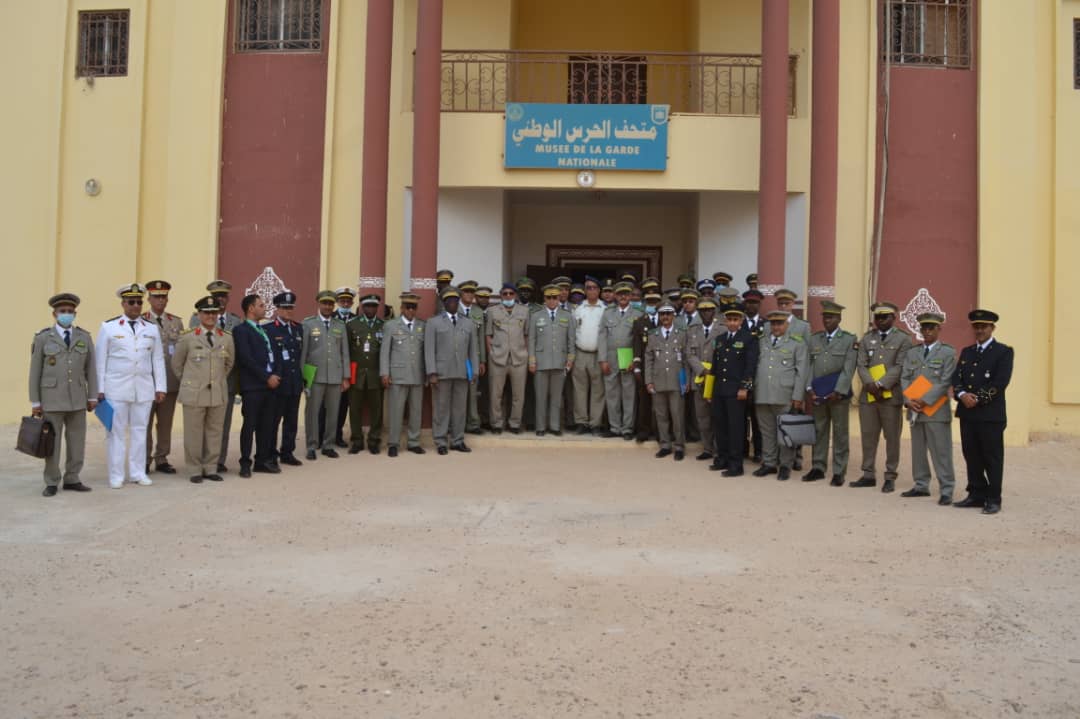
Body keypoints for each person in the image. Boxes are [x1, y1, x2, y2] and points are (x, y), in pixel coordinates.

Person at [96, 284, 167, 489]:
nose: (135, 305)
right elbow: (100, 360)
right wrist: (99, 389)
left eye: (138, 302)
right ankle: (116, 475)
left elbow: (158, 359)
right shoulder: (109, 327)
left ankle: (137, 473)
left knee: (140, 431)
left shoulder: (151, 328)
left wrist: (160, 386)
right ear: (123, 303)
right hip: (116, 388)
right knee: (116, 433)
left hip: (143, 388)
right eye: (131, 302)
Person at [29, 293, 97, 497]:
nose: (66, 314)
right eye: (62, 311)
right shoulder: (43, 338)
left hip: (77, 398)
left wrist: (92, 396)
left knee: (77, 442)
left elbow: (91, 369)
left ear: (75, 314)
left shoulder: (84, 337)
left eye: (70, 311)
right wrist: (35, 401)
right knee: (52, 444)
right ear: (54, 314)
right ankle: (51, 481)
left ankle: (72, 478)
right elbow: (35, 372)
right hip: (52, 399)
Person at [952, 309, 1013, 514]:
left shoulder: (1003, 352)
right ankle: (977, 494)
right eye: (976, 327)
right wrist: (962, 395)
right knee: (971, 455)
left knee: (992, 458)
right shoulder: (967, 351)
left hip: (990, 415)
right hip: (968, 414)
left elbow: (1000, 382)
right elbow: (957, 378)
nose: (979, 330)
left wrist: (977, 398)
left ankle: (994, 498)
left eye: (983, 327)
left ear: (992, 328)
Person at [852, 301, 913, 493]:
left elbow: (900, 366)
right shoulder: (867, 338)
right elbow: (861, 364)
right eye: (877, 317)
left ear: (893, 318)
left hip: (890, 396)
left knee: (892, 438)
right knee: (868, 436)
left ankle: (890, 476)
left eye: (884, 317)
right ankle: (868, 474)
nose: (880, 320)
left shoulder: (903, 339)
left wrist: (880, 384)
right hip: (868, 396)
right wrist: (870, 384)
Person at [172, 296, 234, 483]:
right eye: (206, 312)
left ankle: (211, 467)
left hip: (217, 392)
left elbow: (229, 364)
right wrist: (191, 382)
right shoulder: (188, 337)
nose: (211, 316)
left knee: (215, 432)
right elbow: (177, 365)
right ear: (198, 314)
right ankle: (194, 469)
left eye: (214, 312)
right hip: (194, 393)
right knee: (194, 433)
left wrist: (216, 380)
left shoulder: (226, 338)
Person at [900, 312, 957, 505]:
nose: (927, 331)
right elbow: (905, 377)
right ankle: (921, 485)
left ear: (939, 329)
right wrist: (908, 399)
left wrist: (925, 400)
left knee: (941, 451)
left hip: (936, 410)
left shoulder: (947, 352)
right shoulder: (912, 353)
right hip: (915, 409)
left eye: (931, 328)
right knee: (918, 451)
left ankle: (946, 489)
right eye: (924, 328)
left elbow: (945, 381)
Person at [190, 280, 243, 473]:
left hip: (226, 381)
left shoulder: (236, 321)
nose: (220, 299)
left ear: (228, 298)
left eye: (223, 296)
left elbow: (236, 355)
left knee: (222, 424)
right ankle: (200, 461)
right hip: (202, 382)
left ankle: (218, 460)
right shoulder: (196, 319)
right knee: (201, 424)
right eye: (217, 296)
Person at [803, 301, 858, 486]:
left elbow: (849, 368)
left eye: (831, 317)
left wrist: (838, 391)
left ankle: (839, 470)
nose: (827, 320)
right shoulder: (815, 339)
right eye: (825, 317)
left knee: (840, 432)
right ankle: (818, 467)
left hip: (838, 395)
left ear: (839, 318)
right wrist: (809, 389)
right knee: (819, 430)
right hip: (818, 393)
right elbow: (809, 365)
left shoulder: (849, 339)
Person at [752, 311, 809, 480]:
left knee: (786, 432)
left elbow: (802, 372)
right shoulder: (761, 341)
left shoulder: (797, 343)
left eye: (780, 323)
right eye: (773, 323)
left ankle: (785, 465)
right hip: (763, 393)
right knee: (767, 431)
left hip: (785, 394)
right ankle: (769, 463)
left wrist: (798, 396)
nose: (776, 327)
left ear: (787, 324)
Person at [425, 286, 478, 455]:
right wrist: (432, 372)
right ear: (444, 303)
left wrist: (474, 371)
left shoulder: (468, 323)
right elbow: (429, 350)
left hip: (462, 372)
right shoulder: (433, 323)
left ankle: (457, 440)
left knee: (459, 409)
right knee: (441, 409)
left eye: (455, 300)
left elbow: (473, 350)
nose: (453, 303)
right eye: (449, 300)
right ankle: (441, 441)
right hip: (441, 373)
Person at [233, 294, 281, 477]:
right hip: (253, 386)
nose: (264, 308)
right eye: (261, 305)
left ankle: (262, 461)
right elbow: (246, 359)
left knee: (266, 425)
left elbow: (275, 354)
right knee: (250, 425)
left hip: (270, 386)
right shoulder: (241, 330)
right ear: (250, 308)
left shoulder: (265, 330)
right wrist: (266, 377)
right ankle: (245, 462)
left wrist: (276, 375)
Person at [708, 304, 759, 476]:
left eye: (735, 320)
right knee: (720, 426)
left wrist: (745, 387)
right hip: (719, 390)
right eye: (729, 319)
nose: (732, 323)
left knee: (735, 428)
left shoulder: (748, 339)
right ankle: (722, 459)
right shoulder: (720, 339)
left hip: (736, 391)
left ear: (741, 321)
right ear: (725, 321)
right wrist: (710, 391)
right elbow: (715, 367)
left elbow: (750, 366)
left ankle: (736, 465)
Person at [301, 290, 351, 460]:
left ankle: (328, 445)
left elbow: (345, 353)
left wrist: (346, 377)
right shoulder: (308, 324)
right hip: (314, 375)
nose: (328, 307)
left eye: (330, 304)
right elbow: (304, 353)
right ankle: (311, 445)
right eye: (325, 303)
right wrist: (303, 377)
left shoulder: (340, 325)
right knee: (312, 412)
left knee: (333, 412)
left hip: (335, 375)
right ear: (319, 304)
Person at [142, 280, 184, 475]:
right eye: (156, 296)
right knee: (145, 423)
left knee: (165, 423)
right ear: (149, 299)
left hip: (169, 380)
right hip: (147, 381)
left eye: (163, 296)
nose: (160, 300)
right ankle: (144, 459)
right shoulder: (141, 320)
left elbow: (181, 351)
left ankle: (162, 458)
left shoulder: (176, 322)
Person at [380, 292, 426, 457]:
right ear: (401, 308)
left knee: (416, 411)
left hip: (417, 375)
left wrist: (427, 373)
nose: (411, 310)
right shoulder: (391, 326)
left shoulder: (422, 325)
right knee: (396, 411)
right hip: (397, 375)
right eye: (408, 307)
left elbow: (425, 352)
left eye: (414, 307)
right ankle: (393, 443)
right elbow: (385, 351)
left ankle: (414, 442)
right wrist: (385, 373)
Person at [528, 284, 575, 436]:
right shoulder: (536, 316)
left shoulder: (567, 316)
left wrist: (570, 359)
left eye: (555, 297)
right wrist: (532, 361)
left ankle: (554, 426)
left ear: (559, 298)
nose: (552, 300)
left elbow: (571, 340)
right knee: (541, 397)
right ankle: (540, 427)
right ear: (545, 298)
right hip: (541, 362)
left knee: (556, 397)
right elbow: (531, 340)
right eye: (549, 297)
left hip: (560, 362)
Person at [599, 282, 643, 439]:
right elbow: (602, 336)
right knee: (612, 394)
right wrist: (602, 360)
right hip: (610, 358)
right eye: (620, 294)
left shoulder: (638, 313)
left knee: (628, 394)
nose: (623, 296)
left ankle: (627, 428)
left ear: (630, 296)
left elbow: (639, 340)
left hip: (628, 357)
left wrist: (635, 360)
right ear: (615, 296)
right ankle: (614, 427)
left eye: (626, 293)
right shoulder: (607, 313)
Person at [265, 291, 304, 466]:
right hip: (279, 383)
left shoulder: (298, 328)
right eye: (285, 307)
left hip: (295, 382)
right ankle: (271, 453)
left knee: (291, 421)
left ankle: (287, 452)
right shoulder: (269, 329)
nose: (289, 311)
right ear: (277, 309)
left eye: (291, 307)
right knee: (274, 421)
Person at [645, 303, 688, 460]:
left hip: (677, 381)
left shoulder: (682, 334)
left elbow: (686, 359)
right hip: (658, 381)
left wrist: (687, 381)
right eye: (662, 314)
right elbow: (648, 359)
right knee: (661, 415)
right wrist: (648, 381)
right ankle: (665, 445)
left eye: (668, 314)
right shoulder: (653, 335)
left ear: (673, 316)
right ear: (659, 316)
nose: (665, 317)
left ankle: (679, 446)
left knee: (677, 416)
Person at [487, 282, 530, 434]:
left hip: (519, 358)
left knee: (519, 395)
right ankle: (496, 423)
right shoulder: (492, 311)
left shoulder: (524, 311)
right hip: (498, 358)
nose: (508, 296)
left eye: (511, 293)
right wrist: (491, 353)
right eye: (505, 294)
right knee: (496, 394)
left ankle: (515, 423)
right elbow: (488, 334)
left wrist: (526, 353)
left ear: (515, 295)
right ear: (501, 295)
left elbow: (527, 334)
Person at [345, 293, 385, 454]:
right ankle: (357, 440)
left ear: (377, 308)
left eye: (374, 306)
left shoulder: (383, 325)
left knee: (377, 410)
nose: (370, 309)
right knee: (355, 409)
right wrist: (346, 374)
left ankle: (374, 440)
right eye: (367, 306)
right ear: (362, 307)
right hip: (356, 373)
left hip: (376, 374)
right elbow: (346, 351)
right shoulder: (351, 325)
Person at [322, 286, 357, 448]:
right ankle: (322, 434)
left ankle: (337, 435)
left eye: (348, 301)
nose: (345, 304)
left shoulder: (357, 319)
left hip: (350, 366)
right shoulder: (331, 317)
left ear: (352, 303)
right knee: (325, 404)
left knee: (343, 403)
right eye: (342, 301)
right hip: (331, 366)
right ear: (337, 302)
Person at [686, 298, 720, 461]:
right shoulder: (692, 330)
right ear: (699, 313)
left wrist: (712, 371)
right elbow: (689, 354)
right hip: (699, 379)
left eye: (709, 310)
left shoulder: (722, 329)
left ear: (714, 312)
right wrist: (702, 370)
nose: (706, 313)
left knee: (718, 416)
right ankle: (707, 448)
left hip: (717, 379)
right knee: (702, 417)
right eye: (703, 310)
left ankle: (719, 449)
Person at [572, 276, 606, 434]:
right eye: (588, 288)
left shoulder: (605, 309)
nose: (591, 290)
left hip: (598, 355)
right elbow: (572, 332)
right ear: (585, 291)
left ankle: (595, 424)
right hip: (580, 353)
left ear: (599, 290)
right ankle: (581, 422)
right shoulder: (578, 309)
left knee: (598, 391)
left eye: (594, 287)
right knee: (579, 390)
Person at [631, 290, 662, 443]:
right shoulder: (639, 322)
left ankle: (660, 432)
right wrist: (636, 365)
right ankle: (643, 430)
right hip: (645, 365)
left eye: (654, 302)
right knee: (644, 400)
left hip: (662, 364)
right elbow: (636, 344)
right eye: (649, 302)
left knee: (661, 401)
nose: (652, 305)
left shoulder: (665, 319)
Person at [458, 280, 488, 435]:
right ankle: (457, 423)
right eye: (466, 292)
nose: (470, 295)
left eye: (472, 292)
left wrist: (482, 360)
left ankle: (473, 423)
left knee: (473, 390)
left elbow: (481, 337)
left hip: (473, 357)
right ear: (461, 294)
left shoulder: (477, 312)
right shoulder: (453, 309)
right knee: (458, 391)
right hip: (457, 356)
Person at [742, 288, 766, 462]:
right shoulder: (738, 323)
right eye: (749, 302)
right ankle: (743, 449)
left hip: (761, 378)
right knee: (741, 416)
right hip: (742, 376)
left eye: (755, 303)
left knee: (758, 417)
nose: (751, 306)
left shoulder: (767, 325)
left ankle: (759, 451)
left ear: (760, 304)